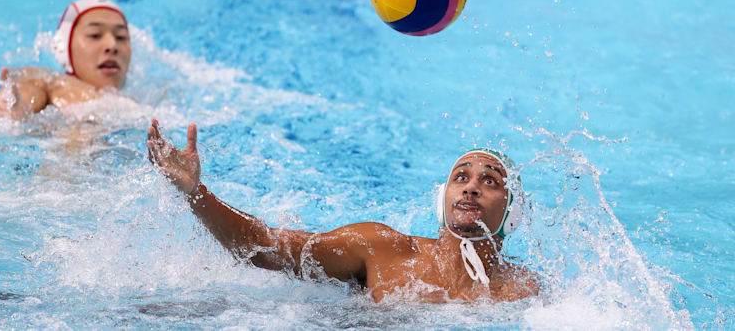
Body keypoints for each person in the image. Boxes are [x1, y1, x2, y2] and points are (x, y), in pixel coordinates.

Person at [146, 118, 540, 303]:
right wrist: (197, 193)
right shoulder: (381, 248)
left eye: (490, 181)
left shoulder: (523, 291)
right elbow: (263, 248)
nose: (471, 186)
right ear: (442, 199)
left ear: (512, 214)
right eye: (461, 177)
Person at [0, 0, 131, 119]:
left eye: (121, 37)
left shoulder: (135, 101)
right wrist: (15, 108)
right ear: (65, 47)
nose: (112, 45)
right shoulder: (49, 82)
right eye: (94, 35)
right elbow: (25, 93)